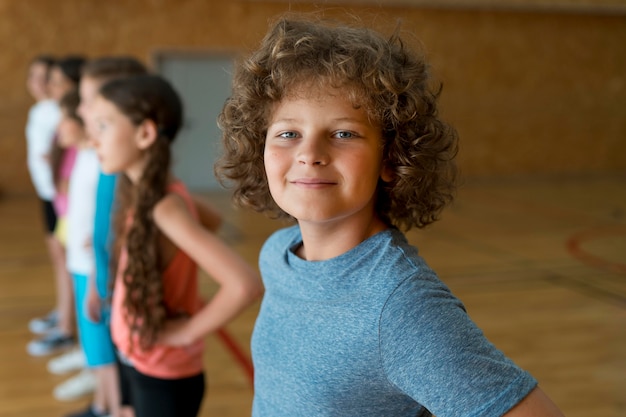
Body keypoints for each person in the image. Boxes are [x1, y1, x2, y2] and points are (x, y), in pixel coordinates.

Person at [215, 15, 566, 417]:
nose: (309, 153)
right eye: (288, 133)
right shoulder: (277, 255)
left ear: (390, 158)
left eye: (344, 133)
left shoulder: (400, 304)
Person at [89, 74, 263, 417]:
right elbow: (211, 220)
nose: (93, 139)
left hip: (163, 375)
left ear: (145, 134)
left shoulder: (165, 207)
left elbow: (244, 283)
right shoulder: (158, 193)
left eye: (103, 126)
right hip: (138, 358)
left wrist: (185, 332)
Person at [28, 55, 86, 357]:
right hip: (53, 199)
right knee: (62, 262)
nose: (47, 86)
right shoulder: (47, 113)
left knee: (71, 265)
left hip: (65, 205)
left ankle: (69, 328)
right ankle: (65, 318)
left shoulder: (68, 119)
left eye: (54, 80)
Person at [24, 55, 63, 335]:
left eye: (44, 76)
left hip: (59, 197)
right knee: (58, 259)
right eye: (32, 76)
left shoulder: (58, 111)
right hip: (46, 194)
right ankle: (63, 311)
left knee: (65, 259)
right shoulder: (38, 111)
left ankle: (67, 324)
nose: (37, 82)